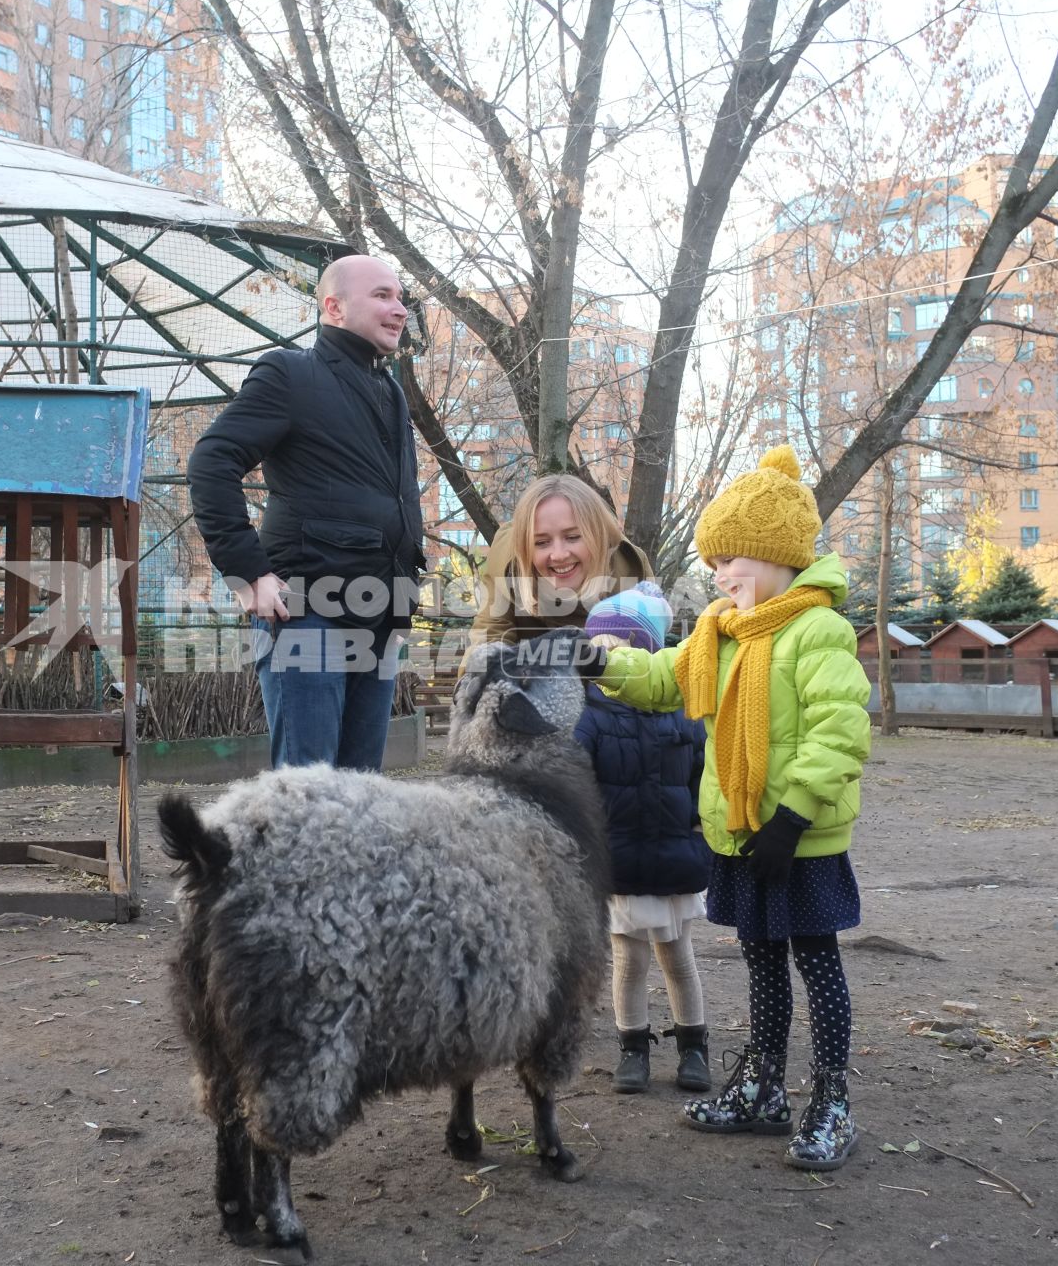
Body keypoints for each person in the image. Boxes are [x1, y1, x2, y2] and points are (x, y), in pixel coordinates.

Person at [584, 445, 871, 1172]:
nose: (718, 576)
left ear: (774, 554)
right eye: (714, 564)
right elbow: (658, 681)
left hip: (796, 841)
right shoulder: (718, 631)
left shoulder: (816, 630)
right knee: (761, 962)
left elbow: (840, 731)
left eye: (730, 559)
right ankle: (765, 1086)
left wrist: (794, 816)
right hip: (742, 836)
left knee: (817, 964)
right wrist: (602, 662)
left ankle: (832, 1097)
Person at [186, 255, 425, 771]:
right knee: (309, 793)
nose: (399, 309)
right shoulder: (290, 374)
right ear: (333, 307)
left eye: (400, 297)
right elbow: (211, 463)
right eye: (382, 295)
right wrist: (249, 574)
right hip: (307, 611)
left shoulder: (390, 391)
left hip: (380, 613)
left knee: (360, 794)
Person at [572, 581, 713, 1096]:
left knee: (678, 955)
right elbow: (575, 778)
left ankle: (693, 1047)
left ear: (647, 651)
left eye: (617, 645)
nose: (606, 657)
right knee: (628, 960)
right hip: (621, 858)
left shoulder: (683, 712)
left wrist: (701, 832)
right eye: (599, 647)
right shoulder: (588, 716)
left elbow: (703, 776)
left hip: (674, 854)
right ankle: (633, 1049)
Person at [469, 474, 652, 647]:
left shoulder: (630, 568)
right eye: (541, 542)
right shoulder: (508, 566)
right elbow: (488, 641)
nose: (559, 555)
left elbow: (648, 658)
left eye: (573, 537)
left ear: (598, 535)